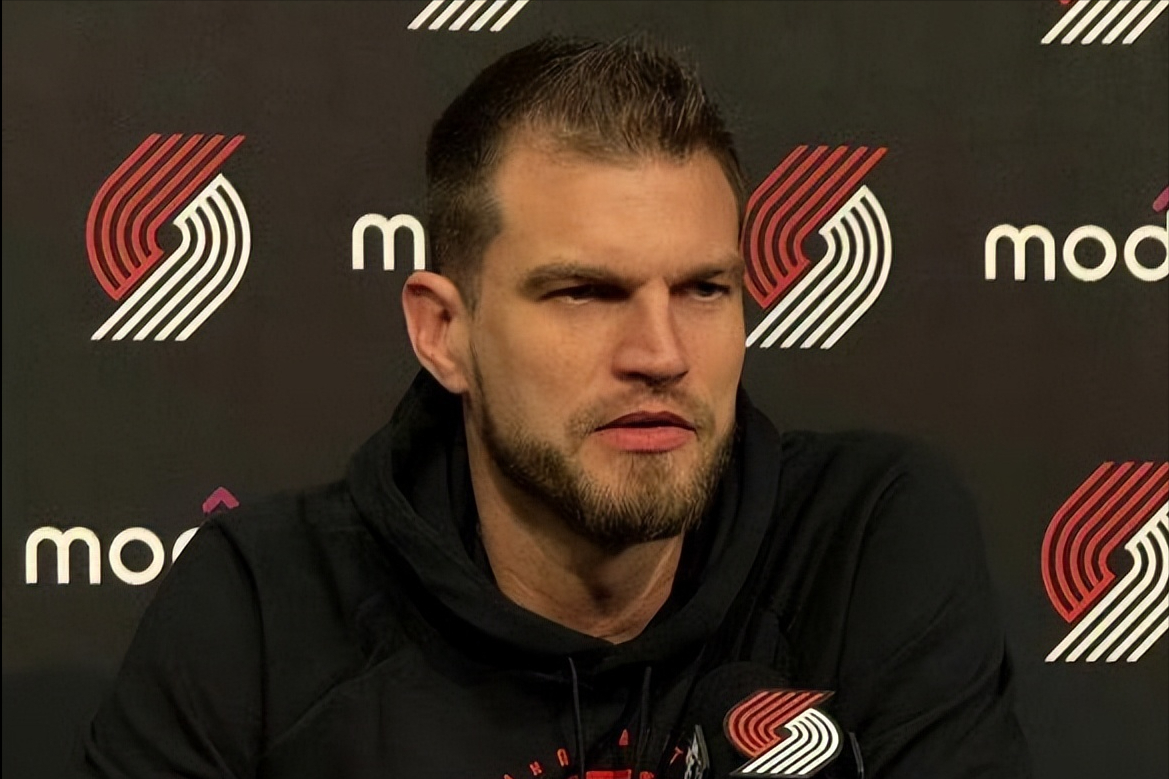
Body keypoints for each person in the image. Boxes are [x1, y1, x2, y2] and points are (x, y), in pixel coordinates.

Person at [79, 36, 1030, 779]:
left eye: (703, 289)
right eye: (584, 292)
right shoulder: (263, 607)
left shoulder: (861, 540)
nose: (660, 354)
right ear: (443, 332)